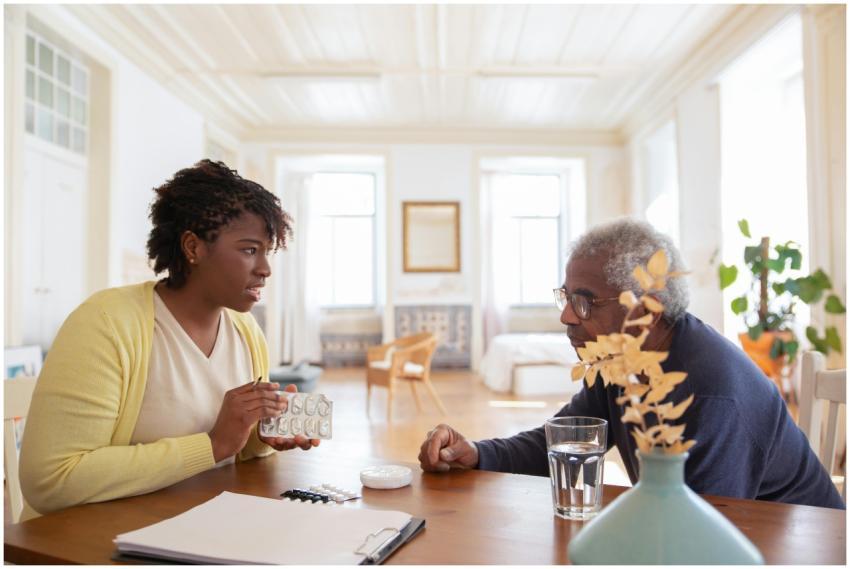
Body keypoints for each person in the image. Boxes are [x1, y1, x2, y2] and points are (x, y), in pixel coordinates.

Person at [419, 218, 844, 509]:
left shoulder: (713, 394)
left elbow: (698, 539)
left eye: (584, 302)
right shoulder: (621, 361)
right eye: (566, 297)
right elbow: (565, 440)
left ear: (647, 313)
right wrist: (475, 453)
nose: (567, 316)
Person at [20, 160, 319, 515]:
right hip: (98, 538)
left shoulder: (246, 331)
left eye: (267, 252)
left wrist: (259, 434)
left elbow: (230, 452)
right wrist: (213, 445)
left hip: (200, 526)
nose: (266, 269)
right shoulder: (106, 323)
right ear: (193, 248)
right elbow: (50, 480)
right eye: (249, 249)